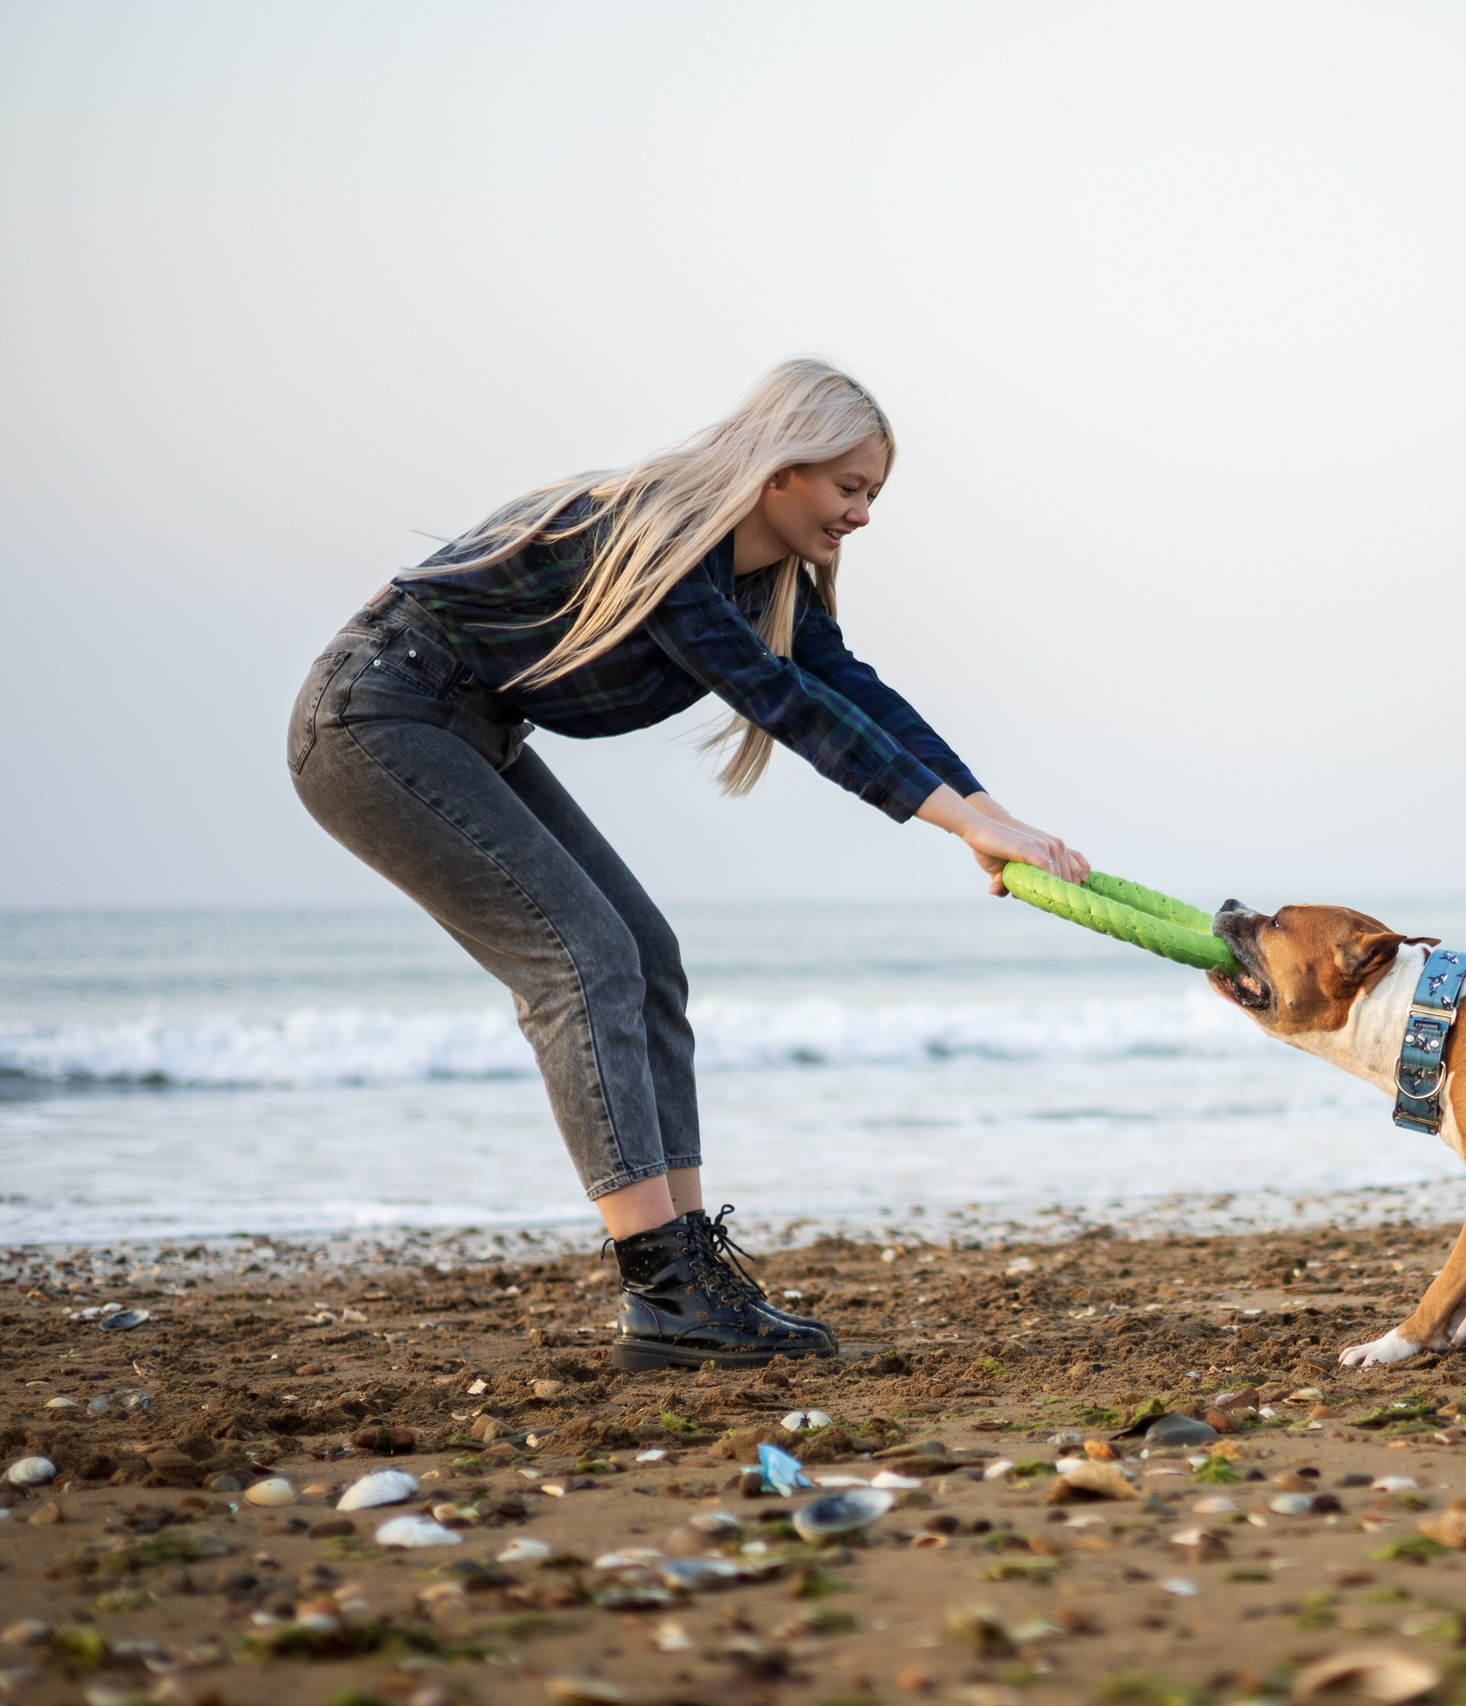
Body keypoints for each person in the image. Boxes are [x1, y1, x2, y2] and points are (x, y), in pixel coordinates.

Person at [286, 358, 1086, 1370]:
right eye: (850, 487)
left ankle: (689, 1278)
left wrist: (988, 815)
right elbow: (781, 704)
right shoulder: (668, 537)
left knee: (643, 954)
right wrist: (958, 824)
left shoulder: (768, 583)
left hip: (467, 728)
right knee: (580, 958)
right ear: (781, 467)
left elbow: (848, 689)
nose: (863, 514)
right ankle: (662, 1289)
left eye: (873, 493)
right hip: (377, 717)